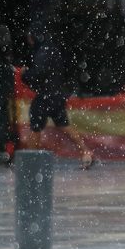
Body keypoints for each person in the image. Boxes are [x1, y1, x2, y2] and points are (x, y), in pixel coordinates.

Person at [23, 30, 94, 169]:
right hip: (56, 94)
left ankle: (32, 160)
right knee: (64, 125)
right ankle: (85, 151)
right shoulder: (53, 50)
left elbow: (38, 73)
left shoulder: (42, 53)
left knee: (35, 126)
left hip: (46, 95)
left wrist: (26, 74)